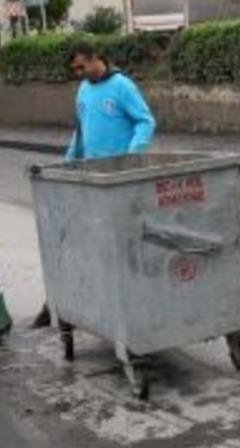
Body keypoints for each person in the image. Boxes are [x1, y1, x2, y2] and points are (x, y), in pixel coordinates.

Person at [32, 42, 157, 328]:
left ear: (96, 58)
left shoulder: (122, 86)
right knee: (78, 243)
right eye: (74, 69)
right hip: (91, 179)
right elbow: (81, 131)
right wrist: (68, 161)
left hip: (119, 181)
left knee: (121, 247)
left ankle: (131, 307)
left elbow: (145, 122)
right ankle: (63, 305)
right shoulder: (84, 90)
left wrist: (132, 155)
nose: (78, 73)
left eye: (81, 66)